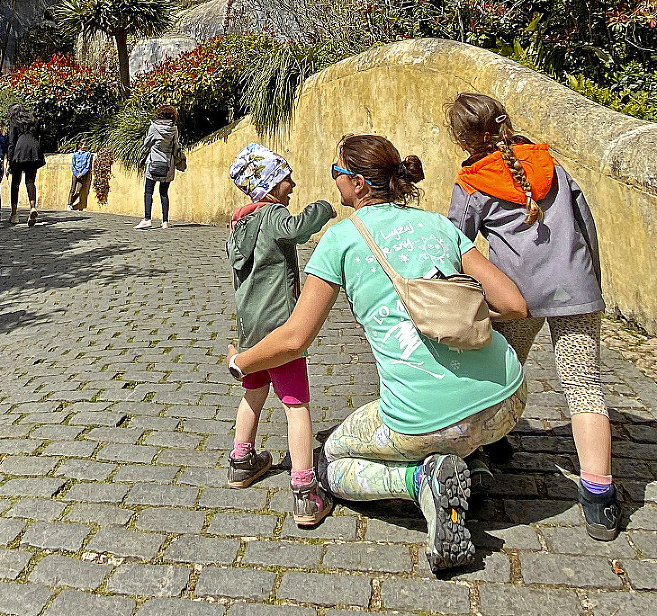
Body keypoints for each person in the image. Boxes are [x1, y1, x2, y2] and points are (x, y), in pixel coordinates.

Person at [226, 134, 529, 574]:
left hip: (427, 422)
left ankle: (420, 480)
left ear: (360, 185)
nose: (333, 182)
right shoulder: (438, 224)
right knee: (460, 419)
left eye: (337, 173)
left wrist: (242, 361)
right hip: (509, 400)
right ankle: (471, 462)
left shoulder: (341, 240)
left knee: (330, 461)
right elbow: (514, 304)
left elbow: (294, 339)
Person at [446, 92, 618, 540]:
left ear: (463, 139)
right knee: (585, 387)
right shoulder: (551, 165)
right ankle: (599, 495)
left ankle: (491, 439)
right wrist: (590, 281)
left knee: (501, 367)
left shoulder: (471, 184)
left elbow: (456, 246)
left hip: (514, 297)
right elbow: (585, 224)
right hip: (575, 288)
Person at [225, 143, 337, 527]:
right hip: (279, 329)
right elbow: (298, 229)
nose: (292, 184)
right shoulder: (273, 215)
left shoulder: (239, 223)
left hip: (249, 330)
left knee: (252, 394)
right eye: (286, 177)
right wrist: (323, 207)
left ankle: (242, 460)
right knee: (296, 405)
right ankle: (305, 491)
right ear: (270, 185)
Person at [135, 105, 185, 230]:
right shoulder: (174, 129)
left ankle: (147, 219)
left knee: (148, 191)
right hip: (168, 165)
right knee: (164, 193)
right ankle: (165, 222)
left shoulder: (154, 127)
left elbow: (147, 144)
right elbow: (175, 145)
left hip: (153, 163)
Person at [7, 104, 44, 227]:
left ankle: (14, 214)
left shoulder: (14, 121)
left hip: (19, 151)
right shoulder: (33, 120)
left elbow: (12, 142)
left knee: (15, 182)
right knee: (30, 181)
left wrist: (9, 160)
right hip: (34, 150)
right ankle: (32, 207)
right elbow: (39, 136)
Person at [67, 140, 93, 211]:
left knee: (78, 191)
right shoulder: (75, 155)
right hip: (75, 174)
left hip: (82, 174)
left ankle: (72, 202)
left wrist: (82, 173)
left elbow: (88, 165)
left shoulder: (88, 154)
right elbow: (73, 165)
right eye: (85, 145)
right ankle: (69, 204)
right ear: (80, 146)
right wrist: (76, 173)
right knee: (72, 189)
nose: (86, 146)